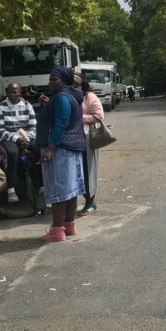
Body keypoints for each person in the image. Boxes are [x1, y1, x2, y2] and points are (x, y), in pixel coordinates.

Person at [37, 67, 86, 242]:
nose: (50, 83)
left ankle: (57, 230)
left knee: (59, 190)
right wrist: (48, 104)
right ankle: (69, 225)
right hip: (71, 147)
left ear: (64, 80)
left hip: (60, 149)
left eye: (54, 80)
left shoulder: (62, 98)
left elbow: (61, 124)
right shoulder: (70, 95)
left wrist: (50, 148)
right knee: (71, 189)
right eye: (50, 79)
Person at [0, 82, 37, 203]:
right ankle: (11, 190)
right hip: (8, 138)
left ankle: (39, 184)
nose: (13, 94)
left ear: (20, 92)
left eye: (15, 92)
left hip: (26, 136)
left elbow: (33, 126)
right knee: (13, 153)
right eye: (10, 92)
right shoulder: (0, 107)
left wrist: (27, 138)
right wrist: (16, 139)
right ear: (6, 93)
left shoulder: (27, 105)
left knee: (38, 149)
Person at [75, 74, 104, 215]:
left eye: (76, 84)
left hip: (87, 138)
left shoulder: (89, 97)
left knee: (88, 169)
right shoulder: (69, 96)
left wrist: (79, 118)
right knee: (78, 171)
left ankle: (90, 201)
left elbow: (99, 116)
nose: (73, 87)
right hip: (72, 138)